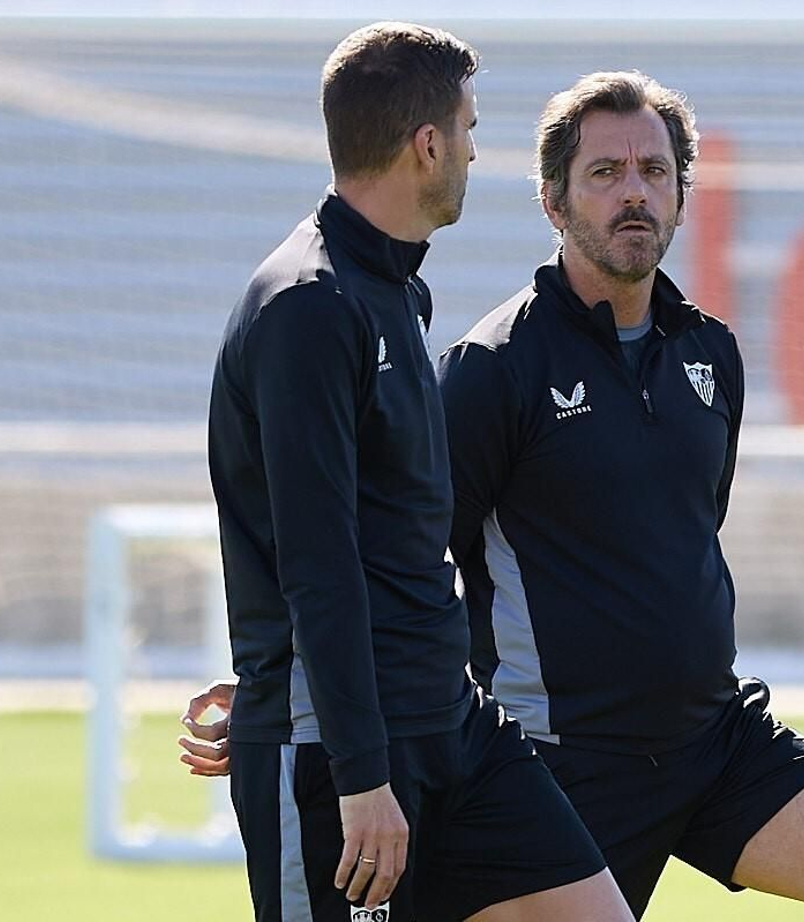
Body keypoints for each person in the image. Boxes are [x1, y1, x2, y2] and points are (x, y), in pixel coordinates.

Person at [187, 70, 804, 922]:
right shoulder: (491, 369)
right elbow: (389, 557)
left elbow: (687, 534)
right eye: (605, 174)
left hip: (716, 743)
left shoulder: (712, 356)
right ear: (554, 202)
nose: (633, 193)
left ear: (680, 194)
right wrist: (292, 683)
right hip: (560, 761)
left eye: (654, 172)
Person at [202, 23, 633, 922]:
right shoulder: (306, 309)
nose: (477, 152)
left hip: (453, 727)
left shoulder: (395, 287)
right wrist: (356, 771)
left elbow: (393, 532)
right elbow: (316, 558)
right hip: (343, 757)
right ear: (426, 143)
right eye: (470, 129)